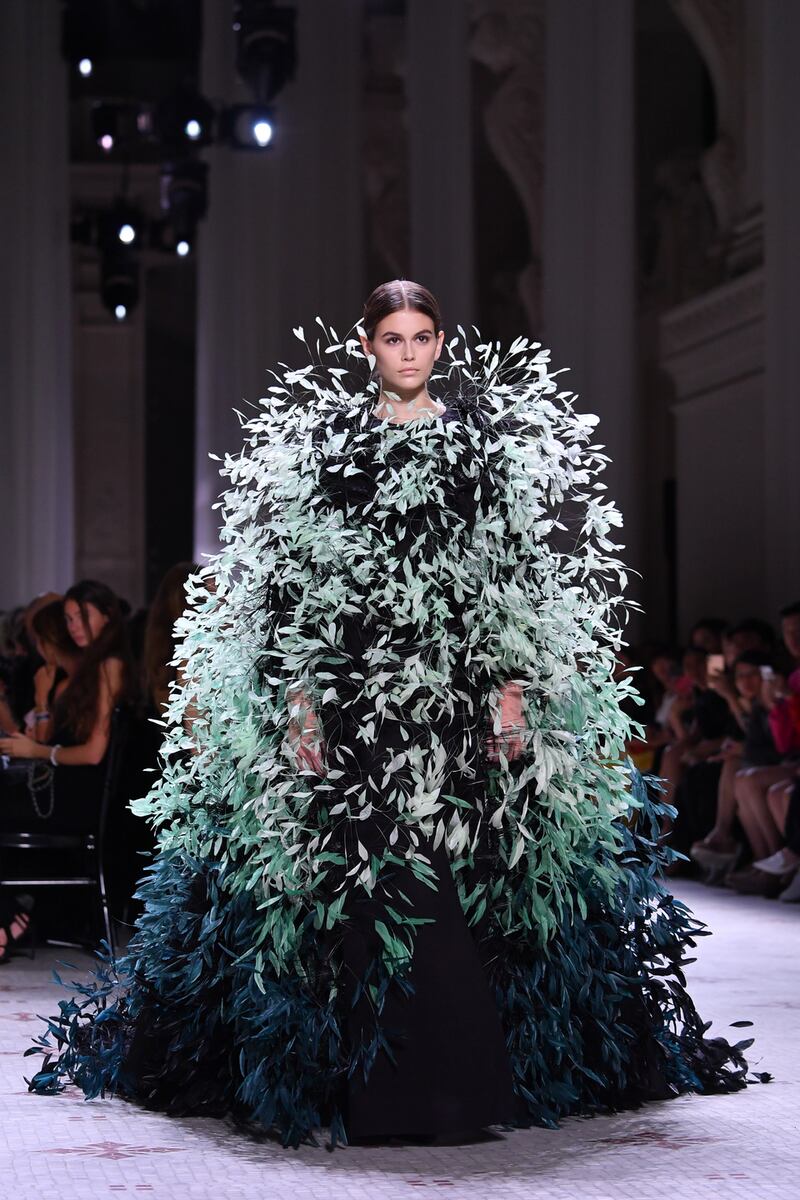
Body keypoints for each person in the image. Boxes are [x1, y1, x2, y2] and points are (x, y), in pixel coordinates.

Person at [28, 281, 760, 1146]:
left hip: (457, 689)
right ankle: (381, 1078)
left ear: (440, 343)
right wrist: (301, 697)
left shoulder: (474, 444)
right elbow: (298, 576)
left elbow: (505, 570)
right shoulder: (336, 443)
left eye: (420, 337)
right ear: (367, 345)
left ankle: (448, 1077)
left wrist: (510, 686)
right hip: (354, 689)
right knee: (359, 862)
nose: (407, 352)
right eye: (391, 338)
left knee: (468, 860)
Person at [0, 581, 134, 833]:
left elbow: (94, 753)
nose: (74, 626)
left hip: (77, 799)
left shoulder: (109, 665)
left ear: (107, 615)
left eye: (82, 616)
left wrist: (37, 751)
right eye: (69, 619)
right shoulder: (95, 667)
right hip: (72, 791)